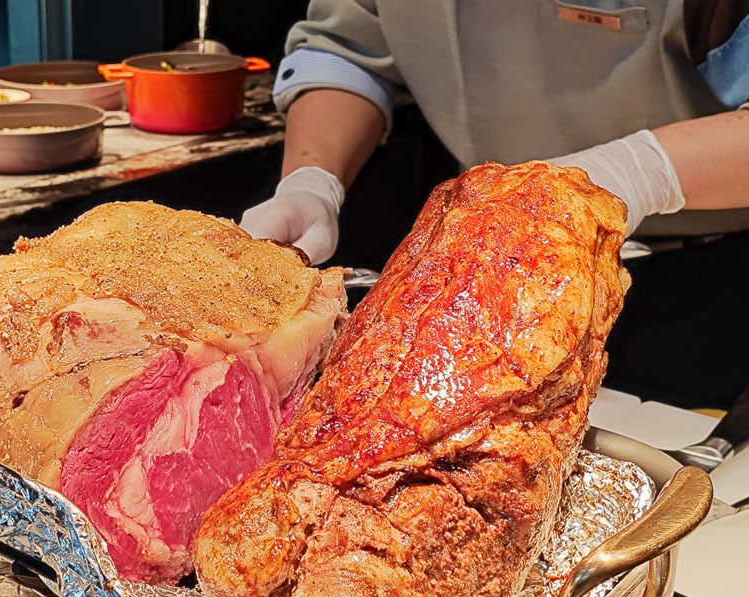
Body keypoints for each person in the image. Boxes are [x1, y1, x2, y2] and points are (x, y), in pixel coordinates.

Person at [240, 0, 749, 409]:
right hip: (487, 274)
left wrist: (637, 172)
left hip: (700, 290)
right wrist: (312, 177)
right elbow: (346, 47)